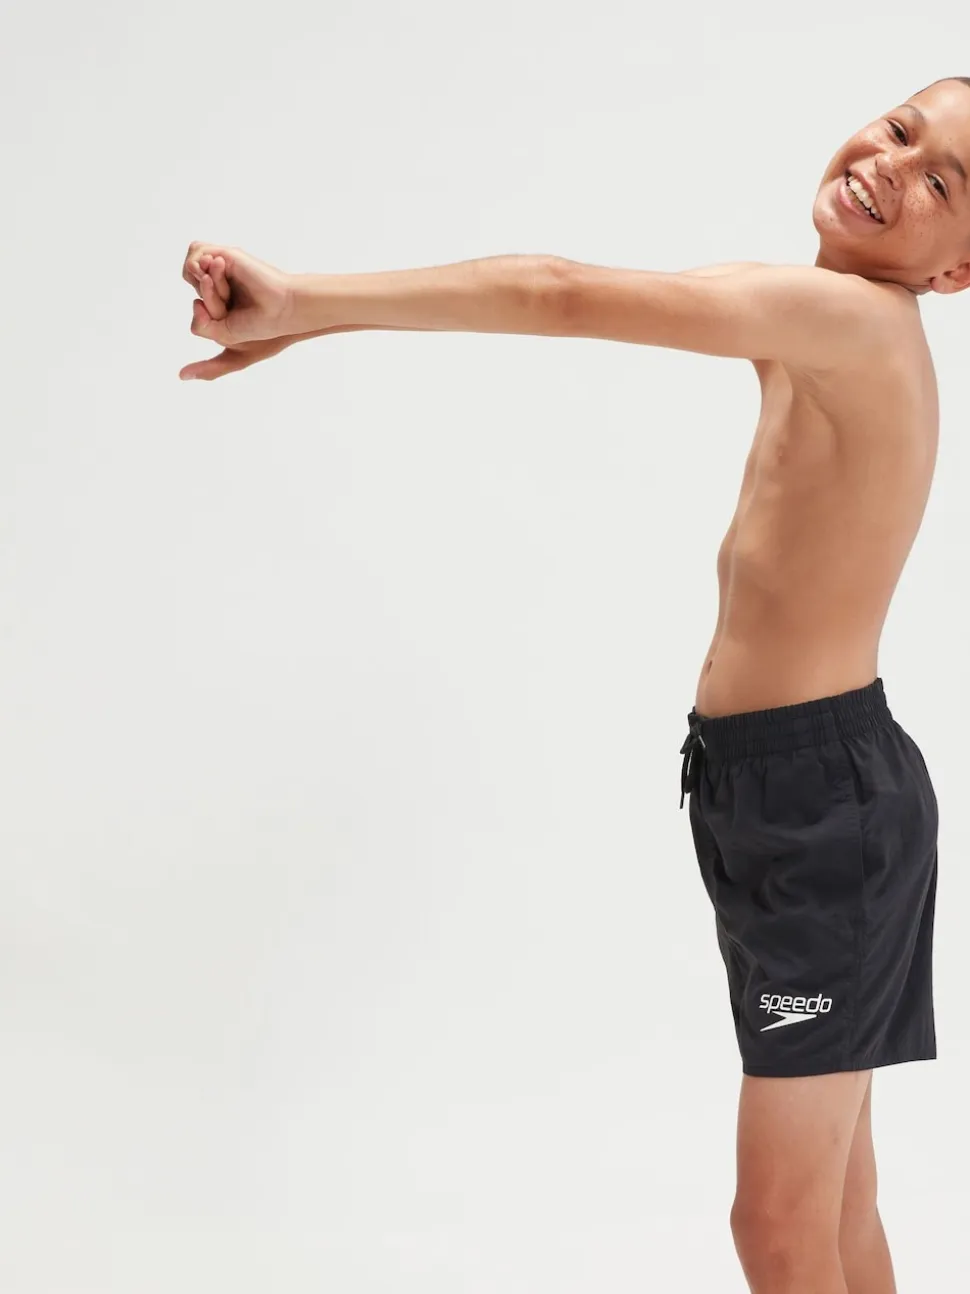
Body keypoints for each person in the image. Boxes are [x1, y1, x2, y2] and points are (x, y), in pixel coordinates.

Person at [180, 75, 970, 1294]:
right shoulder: (828, 314)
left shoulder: (846, 321)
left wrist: (307, 301)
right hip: (800, 795)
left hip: (820, 818)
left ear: (955, 269)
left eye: (940, 184)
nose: (890, 163)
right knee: (835, 1205)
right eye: (900, 128)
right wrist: (308, 324)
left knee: (776, 1228)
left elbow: (557, 291)